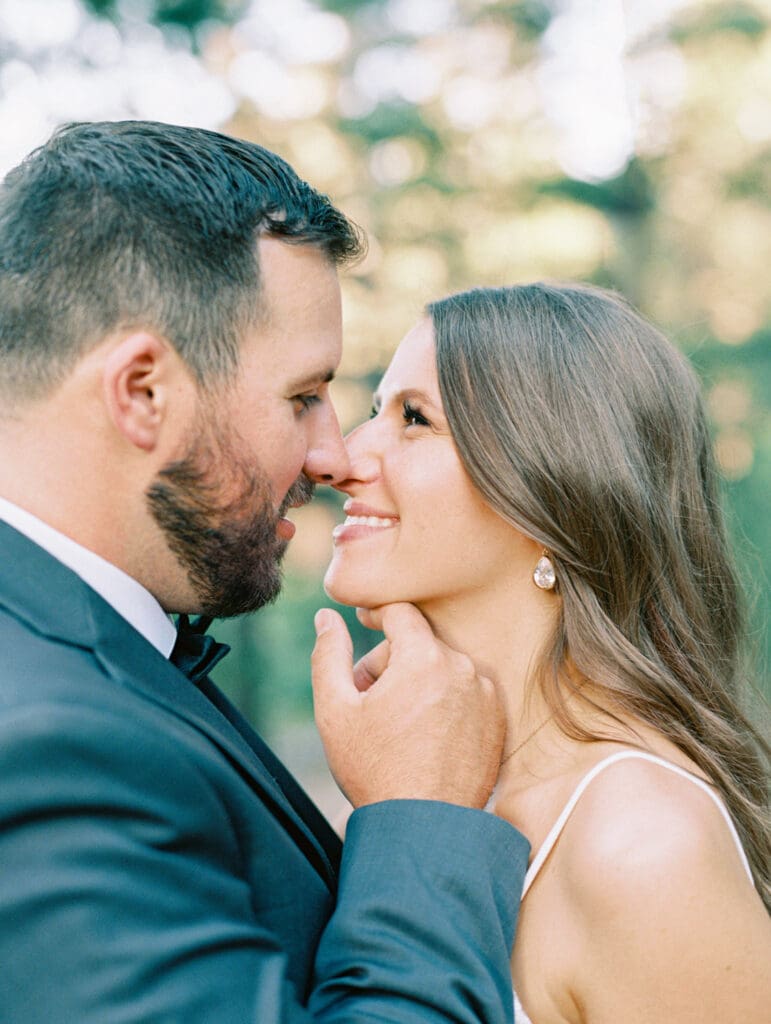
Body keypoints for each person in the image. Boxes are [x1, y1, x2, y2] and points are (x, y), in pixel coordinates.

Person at [0, 121, 530, 1022]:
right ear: (141, 392)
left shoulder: (92, 657)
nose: (331, 455)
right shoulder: (41, 746)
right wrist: (418, 814)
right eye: (302, 397)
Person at [324, 282, 771, 1024]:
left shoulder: (640, 845)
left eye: (413, 419)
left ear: (547, 492)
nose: (342, 456)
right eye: (376, 411)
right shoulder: (445, 787)